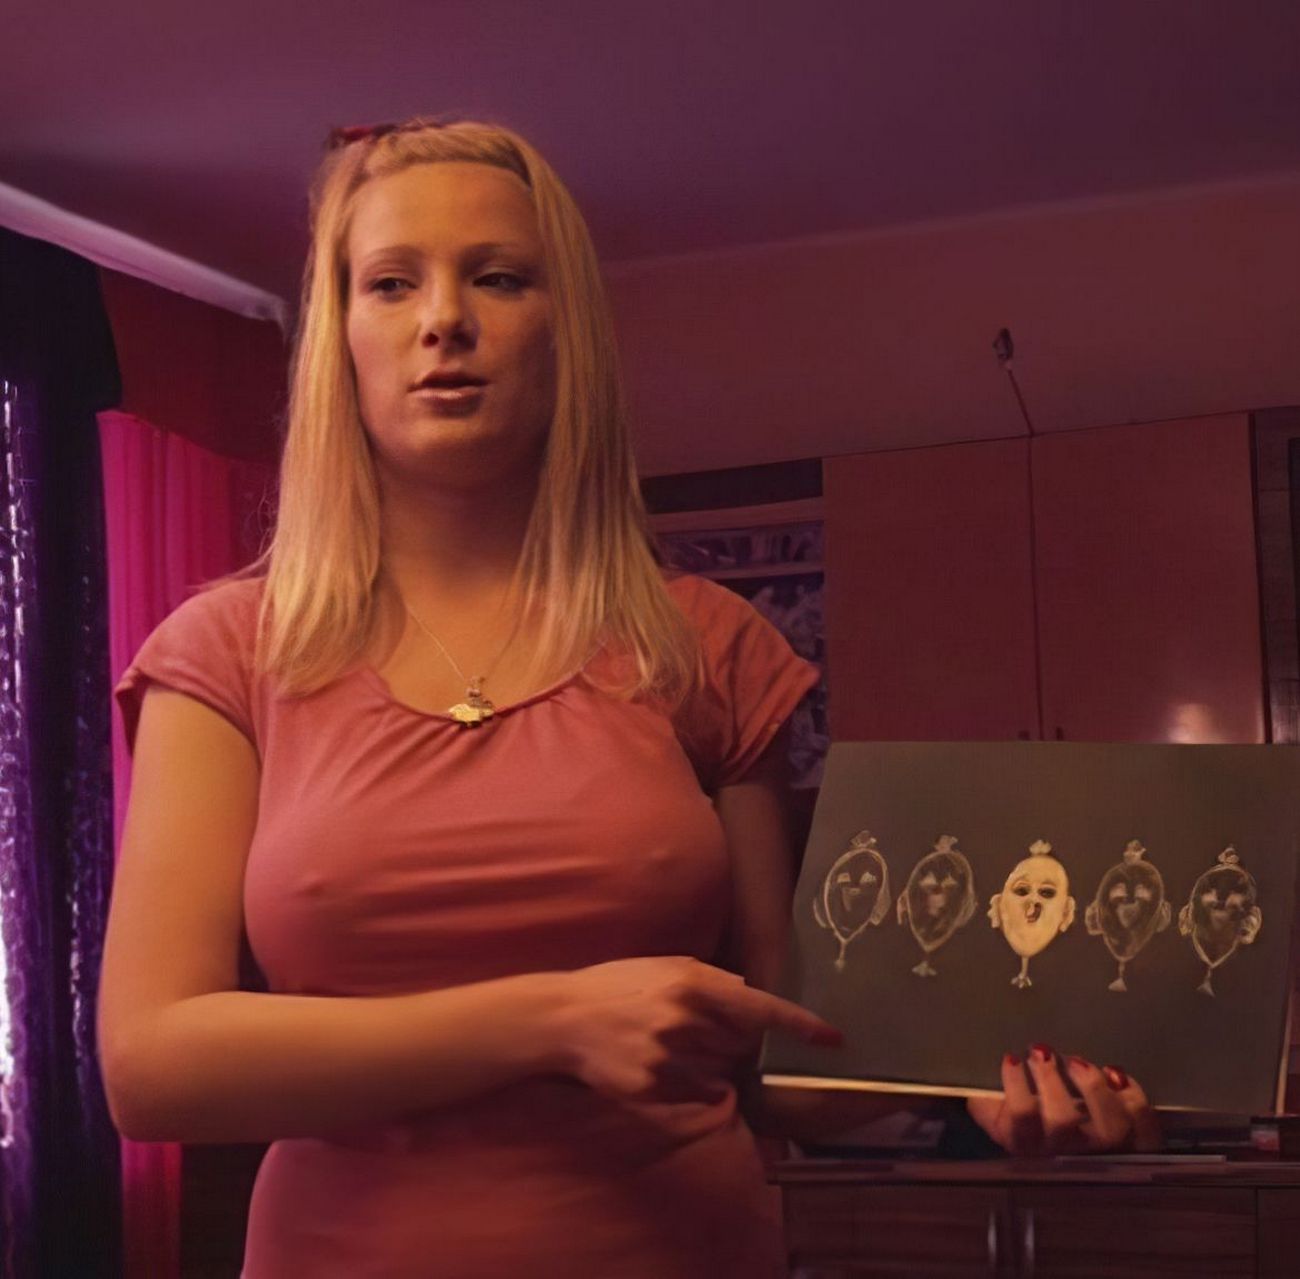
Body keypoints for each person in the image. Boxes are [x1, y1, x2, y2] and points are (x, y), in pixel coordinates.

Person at [96, 116, 1157, 1279]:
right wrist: (552, 1021)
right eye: (391, 282)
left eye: (498, 278)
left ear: (568, 332)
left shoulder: (706, 646)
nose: (443, 319)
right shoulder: (229, 653)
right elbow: (153, 1067)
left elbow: (780, 1065)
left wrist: (975, 1088)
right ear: (338, 336)